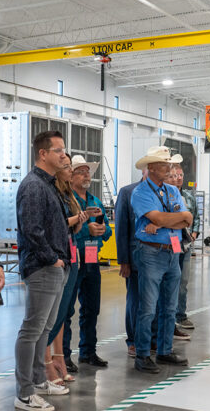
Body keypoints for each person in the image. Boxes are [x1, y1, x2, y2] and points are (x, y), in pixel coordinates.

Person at [14, 130, 71, 411]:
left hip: (54, 266)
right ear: (43, 154)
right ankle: (24, 392)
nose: (64, 155)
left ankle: (38, 380)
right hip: (43, 268)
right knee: (32, 329)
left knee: (44, 329)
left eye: (64, 150)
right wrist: (53, 259)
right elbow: (32, 230)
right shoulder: (34, 186)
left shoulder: (49, 185)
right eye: (58, 150)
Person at [130, 147, 192, 373]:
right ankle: (143, 355)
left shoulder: (173, 191)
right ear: (152, 168)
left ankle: (165, 351)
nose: (170, 169)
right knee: (147, 308)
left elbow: (187, 219)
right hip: (150, 254)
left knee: (170, 307)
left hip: (173, 254)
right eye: (165, 165)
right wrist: (170, 219)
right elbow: (158, 216)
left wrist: (165, 221)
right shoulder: (141, 193)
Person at [44, 153, 88, 385]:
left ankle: (57, 357)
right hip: (55, 259)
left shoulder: (67, 194)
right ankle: (43, 363)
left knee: (62, 313)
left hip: (71, 255)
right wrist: (73, 220)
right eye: (68, 166)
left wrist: (79, 221)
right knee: (49, 316)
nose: (71, 170)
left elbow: (71, 230)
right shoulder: (48, 192)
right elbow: (55, 225)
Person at [69, 154, 112, 367]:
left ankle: (88, 351)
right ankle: (64, 355)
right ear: (71, 176)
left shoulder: (95, 201)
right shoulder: (68, 200)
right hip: (73, 258)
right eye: (81, 171)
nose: (86, 174)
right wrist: (88, 229)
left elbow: (108, 231)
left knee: (91, 307)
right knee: (67, 309)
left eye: (87, 171)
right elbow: (65, 229)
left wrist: (103, 230)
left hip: (92, 258)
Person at [115, 169, 146, 358]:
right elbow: (121, 228)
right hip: (135, 258)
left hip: (159, 258)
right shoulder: (128, 192)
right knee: (135, 300)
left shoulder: (165, 192)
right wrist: (124, 260)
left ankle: (149, 338)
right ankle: (133, 340)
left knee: (155, 302)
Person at [171, 164, 200, 336]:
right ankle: (168, 317)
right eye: (174, 176)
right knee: (171, 281)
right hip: (171, 244)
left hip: (186, 245)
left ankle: (180, 315)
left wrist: (195, 233)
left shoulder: (189, 197)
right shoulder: (165, 197)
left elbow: (195, 217)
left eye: (180, 175)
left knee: (183, 282)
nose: (178, 178)